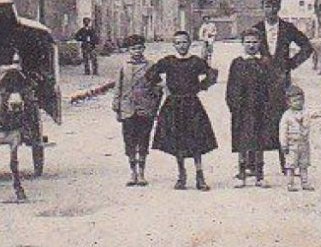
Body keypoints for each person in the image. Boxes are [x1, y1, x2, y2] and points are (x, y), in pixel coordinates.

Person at [255, 0, 315, 175]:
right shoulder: (255, 29)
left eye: (274, 7)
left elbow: (307, 47)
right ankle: (258, 168)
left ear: (278, 8)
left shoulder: (288, 28)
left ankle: (287, 164)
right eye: (267, 6)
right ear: (263, 8)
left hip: (282, 83)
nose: (270, 10)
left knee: (285, 121)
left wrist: (290, 64)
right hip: (261, 83)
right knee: (260, 121)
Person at [151, 29, 219, 191]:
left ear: (189, 43)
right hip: (173, 105)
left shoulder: (195, 61)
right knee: (178, 141)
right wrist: (164, 86)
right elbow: (151, 74)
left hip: (192, 104)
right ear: (174, 45)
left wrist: (201, 87)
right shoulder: (169, 61)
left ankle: (200, 176)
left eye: (184, 42)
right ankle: (181, 175)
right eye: (178, 43)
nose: (182, 46)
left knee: (196, 140)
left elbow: (212, 74)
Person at [227, 27, 278, 188]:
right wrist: (234, 105)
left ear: (260, 43)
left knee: (260, 141)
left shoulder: (265, 62)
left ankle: (259, 175)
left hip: (261, 108)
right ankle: (242, 174)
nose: (251, 45)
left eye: (254, 42)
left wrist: (270, 106)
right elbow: (231, 87)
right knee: (242, 141)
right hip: (242, 109)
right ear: (242, 43)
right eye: (248, 42)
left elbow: (271, 86)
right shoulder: (237, 63)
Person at [112, 34, 161, 186]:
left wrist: (153, 106)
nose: (136, 51)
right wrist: (117, 106)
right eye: (133, 49)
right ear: (129, 50)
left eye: (139, 48)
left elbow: (158, 89)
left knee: (143, 140)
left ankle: (141, 173)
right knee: (129, 141)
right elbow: (118, 88)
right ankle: (132, 172)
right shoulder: (124, 67)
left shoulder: (150, 66)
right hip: (128, 109)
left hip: (144, 110)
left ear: (144, 49)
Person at [278, 86, 316, 192]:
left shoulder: (306, 112)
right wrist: (284, 144)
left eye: (300, 100)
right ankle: (290, 183)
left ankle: (305, 182)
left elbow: (317, 114)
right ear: (288, 102)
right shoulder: (287, 116)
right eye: (295, 101)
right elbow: (283, 131)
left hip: (304, 143)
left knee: (304, 164)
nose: (298, 103)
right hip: (292, 144)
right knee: (291, 164)